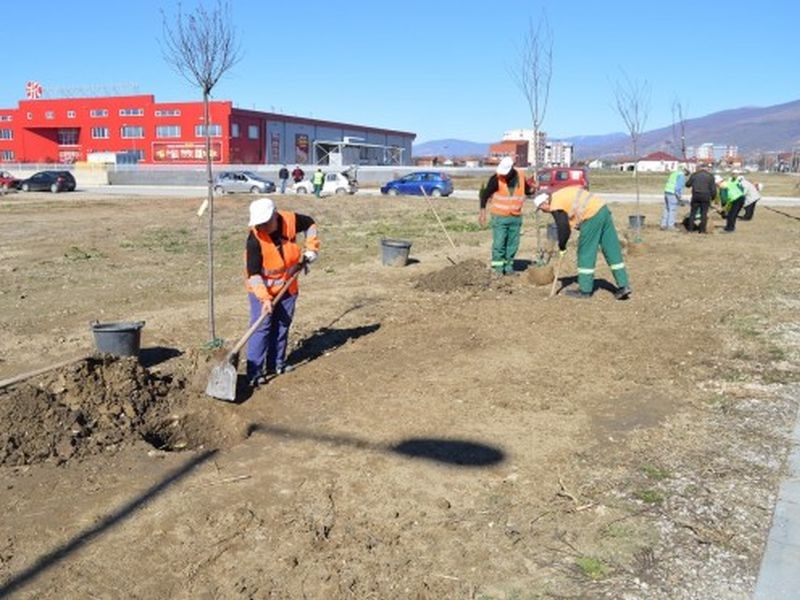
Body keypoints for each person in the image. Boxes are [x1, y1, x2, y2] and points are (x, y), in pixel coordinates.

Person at [244, 197, 320, 387]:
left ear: (274, 216)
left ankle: (276, 363)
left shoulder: (290, 220)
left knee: (282, 325)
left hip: (288, 287)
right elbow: (253, 274)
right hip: (261, 290)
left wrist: (311, 248)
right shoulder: (254, 241)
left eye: (264, 223)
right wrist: (264, 299)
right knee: (261, 329)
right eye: (258, 224)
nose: (260, 227)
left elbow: (310, 224)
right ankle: (254, 372)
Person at [533, 185, 631, 300]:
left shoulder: (556, 204)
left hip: (591, 215)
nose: (544, 212)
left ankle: (585, 290)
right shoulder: (560, 196)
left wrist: (562, 246)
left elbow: (563, 228)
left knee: (585, 252)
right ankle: (623, 285)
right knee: (611, 249)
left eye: (541, 209)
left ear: (544, 203)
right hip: (602, 210)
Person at [478, 156, 536, 275]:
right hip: (499, 216)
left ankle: (508, 266)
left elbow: (526, 191)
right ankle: (498, 268)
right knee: (499, 243)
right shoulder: (496, 179)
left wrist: (533, 189)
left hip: (515, 216)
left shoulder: (520, 175)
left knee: (512, 244)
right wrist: (482, 213)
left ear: (511, 169)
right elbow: (484, 195)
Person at [684, 163, 717, 233]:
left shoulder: (694, 175)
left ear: (699, 168)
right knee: (704, 213)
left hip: (696, 195)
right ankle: (702, 230)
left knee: (693, 213)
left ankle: (690, 229)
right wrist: (713, 197)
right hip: (706, 196)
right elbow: (713, 189)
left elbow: (687, 185)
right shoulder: (710, 176)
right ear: (706, 168)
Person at [661, 166, 688, 230]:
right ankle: (670, 226)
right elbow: (678, 187)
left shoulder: (674, 173)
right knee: (672, 210)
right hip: (673, 193)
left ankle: (663, 224)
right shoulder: (681, 176)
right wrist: (679, 197)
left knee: (666, 209)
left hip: (667, 192)